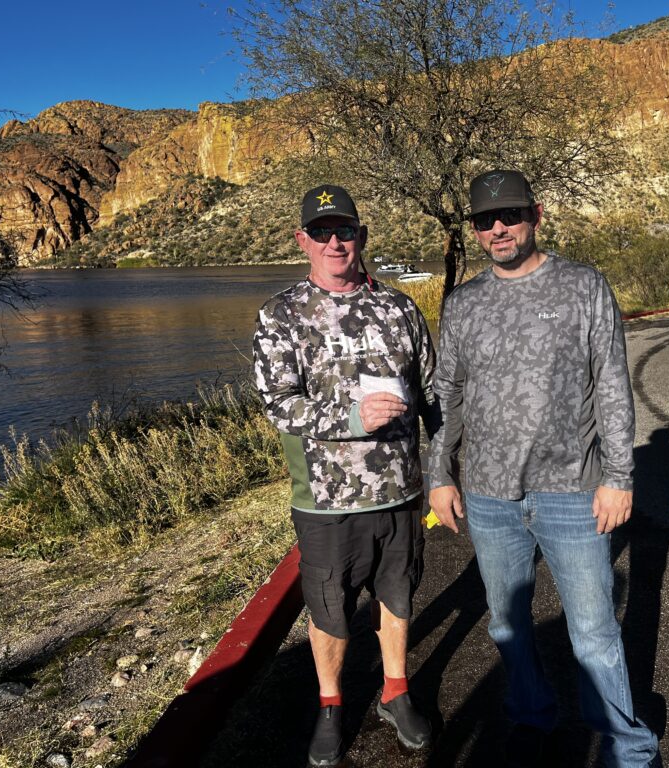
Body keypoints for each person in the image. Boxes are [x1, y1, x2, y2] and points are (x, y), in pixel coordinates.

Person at [427, 170, 662, 767]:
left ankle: (628, 748)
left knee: (594, 632)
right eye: (485, 220)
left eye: (509, 215)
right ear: (475, 230)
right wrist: (439, 475)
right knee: (507, 627)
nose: (498, 228)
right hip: (489, 496)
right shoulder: (462, 304)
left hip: (573, 492)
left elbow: (612, 386)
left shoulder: (583, 285)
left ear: (535, 215)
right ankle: (532, 716)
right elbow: (448, 394)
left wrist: (619, 477)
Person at [254, 185, 439, 767]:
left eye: (345, 230)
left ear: (362, 236)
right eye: (322, 232)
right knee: (329, 606)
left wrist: (445, 469)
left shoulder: (400, 309)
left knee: (398, 593)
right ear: (302, 240)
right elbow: (277, 403)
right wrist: (351, 418)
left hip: (400, 491)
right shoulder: (281, 314)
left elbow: (432, 393)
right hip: (326, 499)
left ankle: (395, 691)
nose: (335, 242)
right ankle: (331, 704)